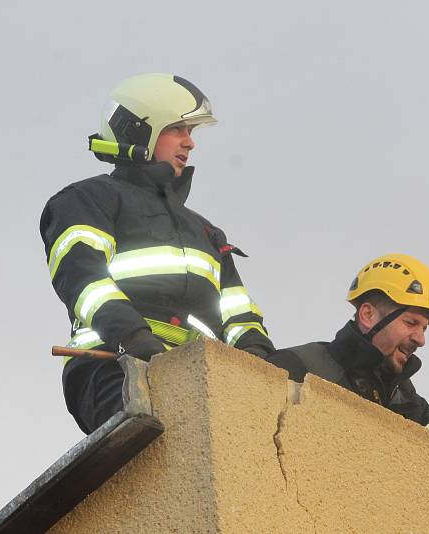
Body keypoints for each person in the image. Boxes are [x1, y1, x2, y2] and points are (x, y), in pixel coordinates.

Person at [40, 73, 274, 434]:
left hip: (201, 377)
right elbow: (84, 279)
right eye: (178, 130)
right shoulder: (88, 201)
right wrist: (134, 338)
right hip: (113, 365)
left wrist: (258, 369)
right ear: (140, 131)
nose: (190, 143)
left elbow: (239, 314)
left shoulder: (206, 232)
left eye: (191, 133)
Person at [266, 253, 429, 458]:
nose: (421, 339)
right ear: (368, 315)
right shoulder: (298, 367)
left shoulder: (411, 405)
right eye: (411, 323)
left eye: (424, 328)